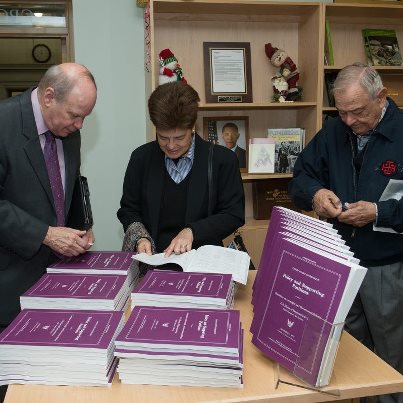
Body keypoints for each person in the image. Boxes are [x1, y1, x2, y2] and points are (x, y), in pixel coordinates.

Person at [289, 63, 403, 403]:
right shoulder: (333, 131)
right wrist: (315, 194)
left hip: (386, 265)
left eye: (357, 112)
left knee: (388, 357)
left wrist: (379, 212)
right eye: (342, 113)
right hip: (339, 261)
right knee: (350, 354)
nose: (349, 122)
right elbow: (300, 177)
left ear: (381, 96)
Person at [0, 63, 96, 345]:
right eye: (75, 115)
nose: (79, 125)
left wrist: (82, 227)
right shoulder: (4, 124)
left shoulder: (68, 130)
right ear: (49, 97)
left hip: (59, 282)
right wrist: (46, 234)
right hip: (10, 286)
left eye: (85, 117)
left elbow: (69, 182)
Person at [117, 81, 244, 259]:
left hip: (202, 262)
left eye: (179, 138)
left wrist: (192, 231)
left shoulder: (222, 160)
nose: (171, 146)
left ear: (192, 128)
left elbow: (233, 214)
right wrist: (140, 237)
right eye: (162, 137)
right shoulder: (141, 158)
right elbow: (129, 210)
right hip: (152, 262)